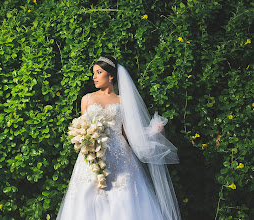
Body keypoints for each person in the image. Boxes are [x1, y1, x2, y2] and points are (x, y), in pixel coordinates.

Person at [56, 56, 181, 220]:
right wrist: (82, 137)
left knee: (122, 197)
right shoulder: (87, 99)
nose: (94, 76)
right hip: (93, 154)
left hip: (120, 156)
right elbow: (83, 126)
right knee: (87, 195)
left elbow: (126, 132)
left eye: (99, 72)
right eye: (94, 73)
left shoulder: (123, 101)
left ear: (111, 76)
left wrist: (150, 132)